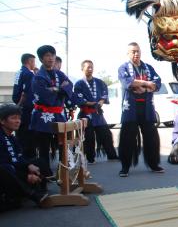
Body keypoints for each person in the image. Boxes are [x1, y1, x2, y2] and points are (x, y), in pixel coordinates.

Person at [117, 42, 163, 177]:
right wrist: (145, 83)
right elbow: (128, 82)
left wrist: (144, 87)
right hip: (131, 108)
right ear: (128, 53)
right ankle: (125, 167)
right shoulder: (123, 67)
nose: (136, 54)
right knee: (127, 138)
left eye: (137, 51)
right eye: (133, 51)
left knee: (151, 137)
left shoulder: (148, 67)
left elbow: (157, 82)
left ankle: (154, 164)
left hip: (147, 108)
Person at [30, 45, 73, 175]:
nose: (51, 58)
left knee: (63, 144)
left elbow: (69, 86)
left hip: (59, 114)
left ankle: (64, 171)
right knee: (44, 146)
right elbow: (43, 95)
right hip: (44, 115)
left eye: (52, 55)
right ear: (41, 59)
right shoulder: (38, 77)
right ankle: (45, 173)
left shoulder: (60, 73)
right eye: (47, 56)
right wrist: (60, 89)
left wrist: (55, 89)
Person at [0, 104, 50, 209]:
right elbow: (5, 163)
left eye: (19, 118)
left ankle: (37, 186)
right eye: (13, 118)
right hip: (5, 172)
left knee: (39, 162)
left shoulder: (11, 137)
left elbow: (19, 157)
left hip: (12, 168)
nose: (18, 121)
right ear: (2, 121)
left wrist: (28, 166)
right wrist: (25, 175)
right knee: (5, 169)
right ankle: (33, 194)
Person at [74, 60, 118, 164]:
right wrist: (92, 103)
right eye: (88, 67)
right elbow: (79, 99)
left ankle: (112, 155)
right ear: (82, 69)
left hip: (97, 113)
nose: (90, 69)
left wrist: (101, 101)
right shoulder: (79, 84)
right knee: (89, 137)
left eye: (91, 67)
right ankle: (90, 158)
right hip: (85, 113)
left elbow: (104, 93)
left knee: (106, 134)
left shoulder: (99, 82)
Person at [12, 53, 36, 158]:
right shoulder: (29, 74)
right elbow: (28, 93)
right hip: (26, 109)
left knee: (20, 136)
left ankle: (19, 157)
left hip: (18, 106)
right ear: (29, 61)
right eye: (34, 61)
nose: (34, 64)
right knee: (28, 138)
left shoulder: (19, 72)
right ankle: (28, 161)